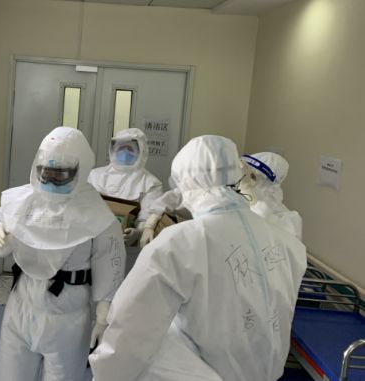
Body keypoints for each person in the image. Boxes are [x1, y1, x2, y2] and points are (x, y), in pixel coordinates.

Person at [90, 135, 307, 381]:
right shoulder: (286, 241)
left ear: (186, 181)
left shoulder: (177, 244)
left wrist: (103, 375)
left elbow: (130, 334)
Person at [0, 126, 126, 381]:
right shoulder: (22, 201)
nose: (50, 180)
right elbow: (0, 248)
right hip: (22, 304)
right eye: (45, 172)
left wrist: (103, 317)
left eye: (60, 174)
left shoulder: (97, 215)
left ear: (79, 170)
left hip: (68, 315)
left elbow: (110, 266)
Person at [88, 128, 164, 248]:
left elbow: (147, 217)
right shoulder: (94, 176)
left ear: (141, 151)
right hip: (91, 240)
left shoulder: (150, 183)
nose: (124, 152)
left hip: (126, 246)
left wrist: (137, 232)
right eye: (121, 148)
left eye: (129, 149)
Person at [240, 152, 303, 240]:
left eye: (251, 177)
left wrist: (248, 191)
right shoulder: (240, 204)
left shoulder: (290, 220)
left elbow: (260, 231)